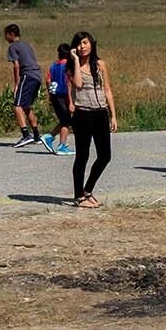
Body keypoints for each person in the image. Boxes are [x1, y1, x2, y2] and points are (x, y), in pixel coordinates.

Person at [66, 31, 116, 208]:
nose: (83, 47)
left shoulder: (100, 65)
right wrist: (76, 60)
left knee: (105, 156)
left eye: (85, 43)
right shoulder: (73, 67)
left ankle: (88, 189)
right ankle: (79, 196)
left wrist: (113, 115)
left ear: (92, 44)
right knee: (82, 156)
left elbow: (107, 90)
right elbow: (78, 84)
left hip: (100, 113)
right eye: (79, 44)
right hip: (83, 114)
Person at [4, 24, 42, 148]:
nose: (5, 38)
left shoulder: (13, 47)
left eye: (6, 35)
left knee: (17, 105)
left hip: (28, 75)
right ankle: (36, 135)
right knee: (26, 106)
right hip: (37, 76)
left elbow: (16, 65)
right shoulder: (27, 45)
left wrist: (17, 83)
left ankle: (26, 135)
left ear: (11, 34)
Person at [42, 43, 75, 155]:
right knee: (66, 121)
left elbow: (47, 80)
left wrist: (50, 93)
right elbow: (69, 83)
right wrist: (71, 102)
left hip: (55, 95)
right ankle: (61, 144)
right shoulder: (67, 66)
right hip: (63, 96)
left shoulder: (54, 66)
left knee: (64, 120)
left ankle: (51, 137)